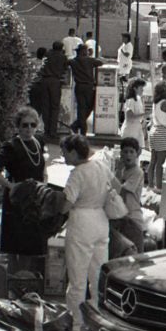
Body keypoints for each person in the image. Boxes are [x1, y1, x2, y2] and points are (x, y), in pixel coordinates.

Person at [0, 107, 52, 256]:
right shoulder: (11, 146)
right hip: (17, 200)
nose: (29, 129)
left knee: (35, 242)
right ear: (18, 126)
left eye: (32, 125)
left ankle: (32, 276)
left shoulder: (38, 141)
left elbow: (42, 167)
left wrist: (44, 184)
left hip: (36, 199)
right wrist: (10, 185)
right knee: (17, 242)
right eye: (24, 125)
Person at [60, 135, 116, 315]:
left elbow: (66, 205)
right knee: (98, 275)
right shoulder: (101, 166)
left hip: (81, 222)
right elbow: (117, 186)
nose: (63, 157)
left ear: (74, 152)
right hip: (101, 219)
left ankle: (75, 323)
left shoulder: (77, 174)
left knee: (77, 278)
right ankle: (99, 318)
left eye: (65, 153)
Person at [110, 137, 146, 257]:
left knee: (135, 257)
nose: (128, 155)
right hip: (120, 217)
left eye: (131, 152)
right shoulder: (121, 170)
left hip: (132, 219)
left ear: (137, 154)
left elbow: (121, 192)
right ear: (120, 153)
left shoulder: (138, 172)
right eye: (125, 152)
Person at [71, 41, 102, 134]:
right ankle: (80, 128)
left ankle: (78, 126)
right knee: (90, 107)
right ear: (84, 51)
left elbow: (65, 63)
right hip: (89, 87)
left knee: (81, 108)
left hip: (79, 86)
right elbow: (100, 62)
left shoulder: (73, 61)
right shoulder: (90, 60)